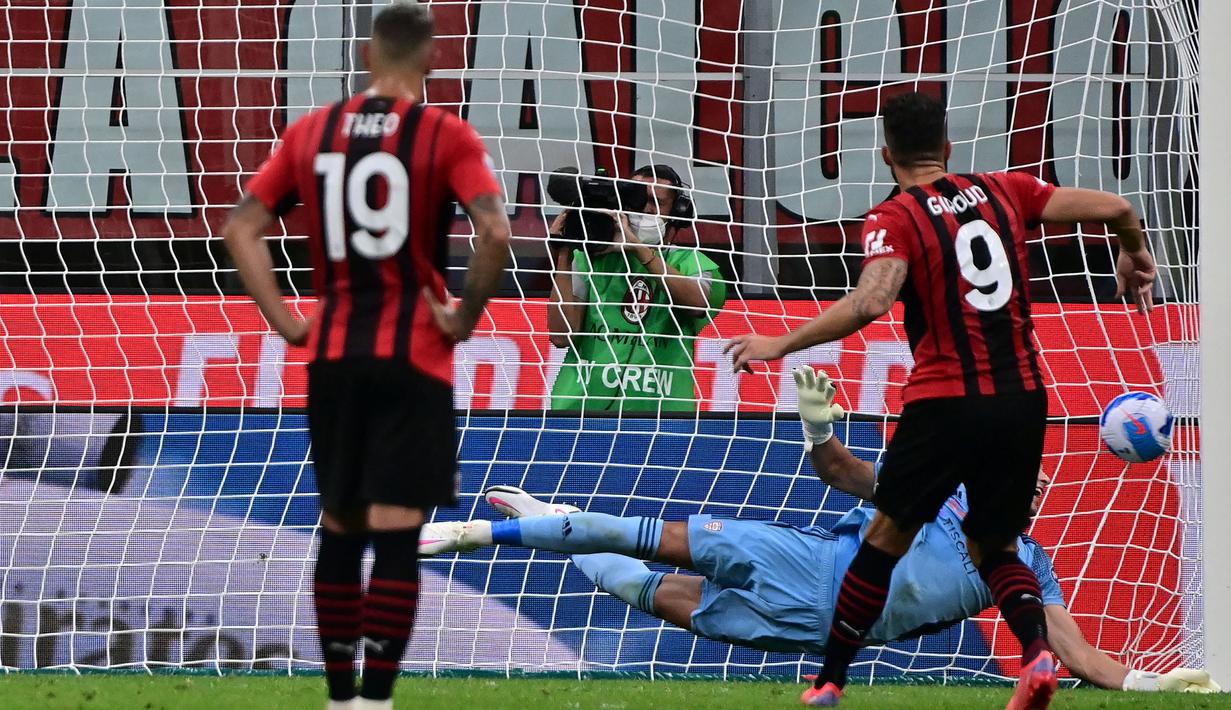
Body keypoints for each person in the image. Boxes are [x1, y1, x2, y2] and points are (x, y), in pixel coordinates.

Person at [725, 92, 1158, 708]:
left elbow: (872, 301)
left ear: (885, 154)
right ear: (948, 149)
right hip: (1023, 397)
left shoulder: (894, 216)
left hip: (944, 399)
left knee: (884, 536)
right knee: (995, 545)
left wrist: (780, 341)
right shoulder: (1005, 189)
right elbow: (1116, 204)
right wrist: (1134, 249)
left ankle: (828, 683)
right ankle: (1037, 658)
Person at [417, 367, 1217, 697]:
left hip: (809, 625)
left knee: (654, 593)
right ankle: (481, 537)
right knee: (648, 535)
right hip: (803, 554)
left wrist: (1145, 684)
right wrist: (813, 422)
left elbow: (1072, 650)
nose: (1024, 487)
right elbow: (839, 472)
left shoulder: (1024, 569)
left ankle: (548, 529)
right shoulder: (933, 498)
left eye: (1033, 485)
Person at [222, 4, 510, 709]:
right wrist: (463, 316)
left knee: (341, 523)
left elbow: (241, 228)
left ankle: (337, 697)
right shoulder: (444, 133)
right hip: (414, 354)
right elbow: (495, 233)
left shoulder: (311, 131)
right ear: (433, 59)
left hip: (335, 353)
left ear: (363, 53)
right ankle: (377, 700)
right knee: (396, 533)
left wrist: (290, 323)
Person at [547, 165, 727, 411]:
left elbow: (698, 304)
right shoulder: (590, 258)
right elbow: (561, 336)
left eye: (656, 202)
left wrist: (637, 247)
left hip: (662, 416)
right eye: (636, 198)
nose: (645, 208)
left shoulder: (691, 262)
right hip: (580, 410)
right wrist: (564, 254)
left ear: (677, 213)